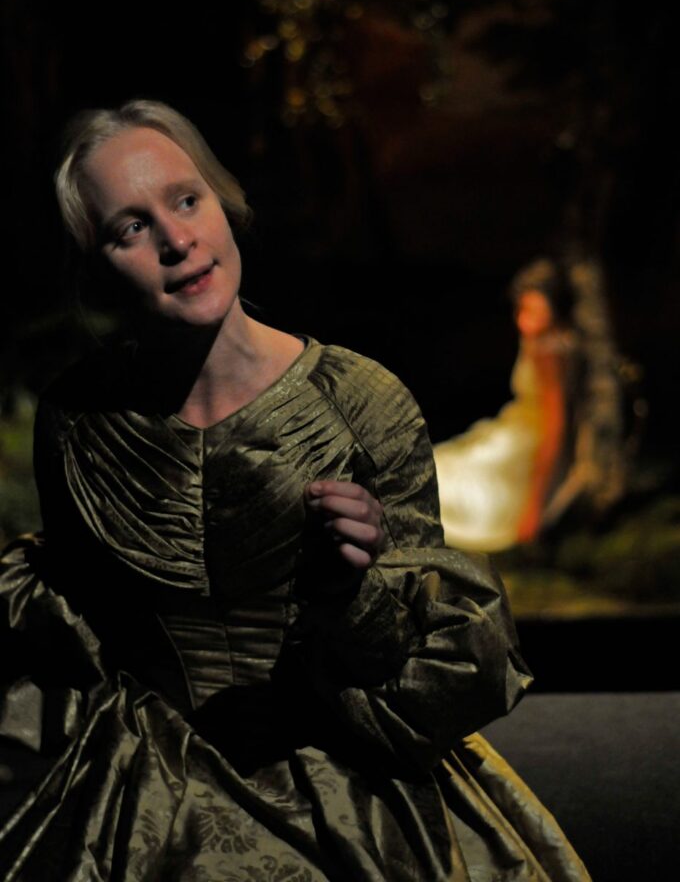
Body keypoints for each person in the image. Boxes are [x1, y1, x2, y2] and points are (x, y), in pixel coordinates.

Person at [0, 100, 590, 881]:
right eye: (131, 227)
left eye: (186, 200)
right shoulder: (79, 422)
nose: (178, 241)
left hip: (344, 787)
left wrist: (353, 593)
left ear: (224, 204)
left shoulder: (361, 402)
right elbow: (79, 642)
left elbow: (430, 658)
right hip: (141, 799)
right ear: (94, 266)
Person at [433, 258, 626, 552]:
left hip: (530, 443)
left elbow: (555, 423)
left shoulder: (550, 350)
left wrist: (535, 506)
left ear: (554, 309)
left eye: (534, 311)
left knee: (447, 479)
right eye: (521, 310)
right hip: (515, 429)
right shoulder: (546, 342)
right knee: (444, 464)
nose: (524, 321)